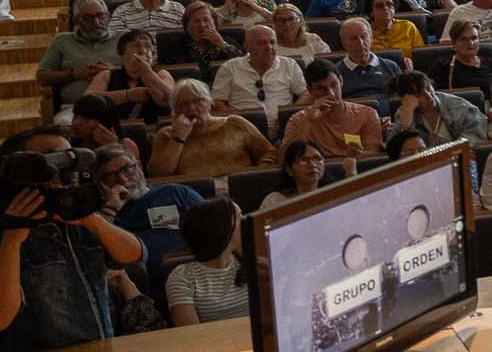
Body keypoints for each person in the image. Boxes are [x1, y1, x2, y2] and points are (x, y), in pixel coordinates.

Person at [0, 128, 148, 352]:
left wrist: (91, 219)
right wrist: (11, 241)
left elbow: (136, 256)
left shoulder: (82, 219)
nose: (62, 170)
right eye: (52, 158)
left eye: (69, 157)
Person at [95, 140, 204, 291]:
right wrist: (111, 208)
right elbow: (98, 255)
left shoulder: (175, 193)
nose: (123, 179)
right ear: (100, 183)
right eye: (110, 176)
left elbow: (215, 226)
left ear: (138, 166)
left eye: (127, 169)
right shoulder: (101, 215)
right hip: (142, 288)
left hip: (194, 275)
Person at [148, 80, 276, 176]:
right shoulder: (166, 135)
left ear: (209, 103)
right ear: (175, 110)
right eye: (184, 104)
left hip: (241, 188)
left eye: (198, 101)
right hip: (196, 196)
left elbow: (269, 153)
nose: (192, 108)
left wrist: (257, 174)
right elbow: (157, 175)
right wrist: (179, 138)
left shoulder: (235, 123)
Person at [165, 197, 250, 326]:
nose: (246, 220)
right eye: (239, 217)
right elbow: (190, 335)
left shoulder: (251, 261)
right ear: (221, 229)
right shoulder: (182, 277)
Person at [282, 62, 385, 156]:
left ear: (341, 81)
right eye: (321, 89)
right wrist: (308, 121)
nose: (330, 93)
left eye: (333, 85)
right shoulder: (298, 120)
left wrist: (360, 155)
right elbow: (284, 159)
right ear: (310, 90)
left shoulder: (367, 114)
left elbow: (374, 155)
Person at [38, 0, 119, 108]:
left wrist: (113, 72)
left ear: (108, 17)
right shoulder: (62, 40)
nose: (96, 22)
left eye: (101, 16)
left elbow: (143, 71)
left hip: (118, 105)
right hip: (75, 109)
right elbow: (42, 77)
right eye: (88, 18)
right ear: (76, 21)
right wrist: (74, 74)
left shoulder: (123, 38)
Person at [387, 70, 488, 144]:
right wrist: (406, 124)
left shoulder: (456, 105)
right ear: (408, 99)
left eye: (428, 87)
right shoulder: (405, 112)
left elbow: (476, 131)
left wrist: (454, 150)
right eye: (419, 94)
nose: (429, 96)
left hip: (460, 157)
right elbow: (396, 150)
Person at [258, 139, 356, 212]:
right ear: (289, 170)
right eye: (304, 160)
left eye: (317, 159)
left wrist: (351, 173)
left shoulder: (334, 196)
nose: (312, 165)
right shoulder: (274, 201)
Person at [333, 17, 404, 102]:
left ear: (371, 38)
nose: (360, 43)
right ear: (343, 43)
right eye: (354, 38)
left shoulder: (391, 67)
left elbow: (404, 98)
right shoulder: (335, 73)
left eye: (364, 37)